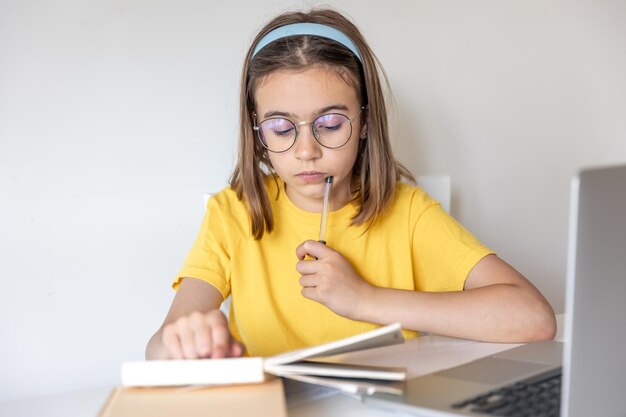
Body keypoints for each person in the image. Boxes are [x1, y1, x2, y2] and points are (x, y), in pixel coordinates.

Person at [146, 8, 556, 360]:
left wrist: (364, 299)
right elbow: (159, 347)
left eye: (329, 124)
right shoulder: (231, 214)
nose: (306, 150)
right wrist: (188, 342)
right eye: (280, 127)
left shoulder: (408, 213)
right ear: (256, 132)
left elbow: (533, 318)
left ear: (363, 123)